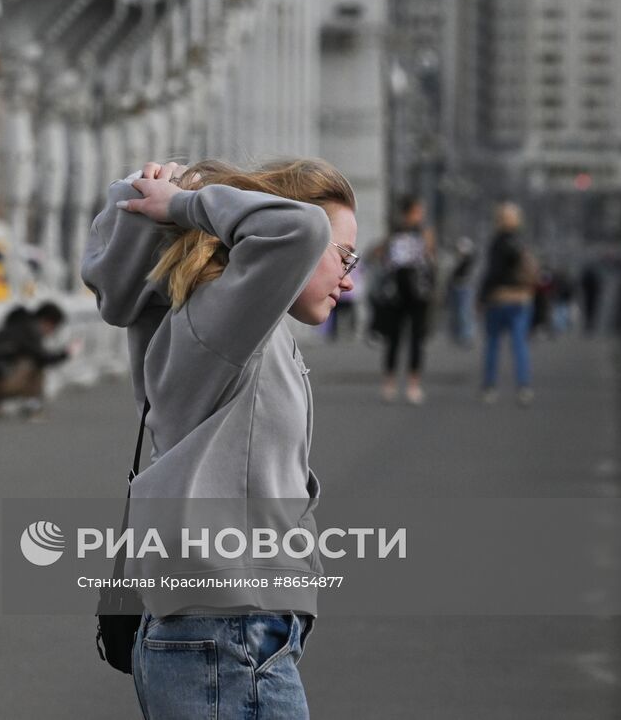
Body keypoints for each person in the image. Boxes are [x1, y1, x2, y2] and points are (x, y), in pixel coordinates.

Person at [83, 157, 358, 720]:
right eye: (344, 254)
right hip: (228, 634)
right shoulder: (222, 325)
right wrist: (183, 202)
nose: (348, 278)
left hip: (226, 630)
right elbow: (300, 229)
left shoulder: (227, 323)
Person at [373, 196, 436, 404]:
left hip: (418, 292)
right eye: (418, 211)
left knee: (417, 339)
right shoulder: (395, 232)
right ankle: (389, 383)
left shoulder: (424, 233)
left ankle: (413, 384)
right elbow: (381, 256)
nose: (421, 216)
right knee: (394, 338)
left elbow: (430, 260)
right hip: (397, 291)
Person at [0, 301, 73, 420]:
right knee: (33, 365)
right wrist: (66, 354)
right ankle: (33, 405)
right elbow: (43, 358)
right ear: (47, 322)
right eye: (53, 328)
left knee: (23, 362)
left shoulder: (16, 326)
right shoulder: (29, 330)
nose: (51, 333)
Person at [478, 201, 538, 406]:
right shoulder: (521, 243)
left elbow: (492, 273)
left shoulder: (496, 244)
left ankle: (490, 387)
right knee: (520, 345)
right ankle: (523, 387)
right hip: (520, 299)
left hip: (498, 298)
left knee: (493, 344)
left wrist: (482, 296)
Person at [448, 237, 476, 346]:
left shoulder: (467, 260)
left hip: (464, 287)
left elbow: (461, 273)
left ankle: (467, 335)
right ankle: (458, 333)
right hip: (457, 287)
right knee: (458, 312)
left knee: (464, 312)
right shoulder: (457, 259)